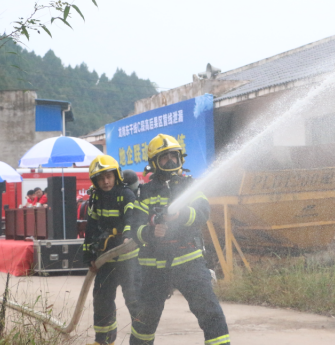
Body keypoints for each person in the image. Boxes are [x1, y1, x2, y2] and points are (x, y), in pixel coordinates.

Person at [130, 134, 230, 345]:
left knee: (211, 314)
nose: (171, 161)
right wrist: (149, 232)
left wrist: (181, 216)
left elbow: (203, 213)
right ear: (154, 163)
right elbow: (134, 229)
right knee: (144, 321)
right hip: (153, 268)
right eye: (164, 158)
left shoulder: (189, 187)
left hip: (188, 261)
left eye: (174, 156)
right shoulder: (144, 193)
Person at [83, 155, 140, 345]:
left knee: (134, 300)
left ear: (116, 176)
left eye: (109, 176)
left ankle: (141, 339)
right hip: (106, 260)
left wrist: (127, 235)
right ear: (95, 181)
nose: (105, 181)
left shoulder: (126, 195)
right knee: (101, 300)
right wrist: (89, 253)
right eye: (101, 178)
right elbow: (90, 227)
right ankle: (103, 340)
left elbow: (131, 218)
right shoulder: (95, 198)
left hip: (128, 258)